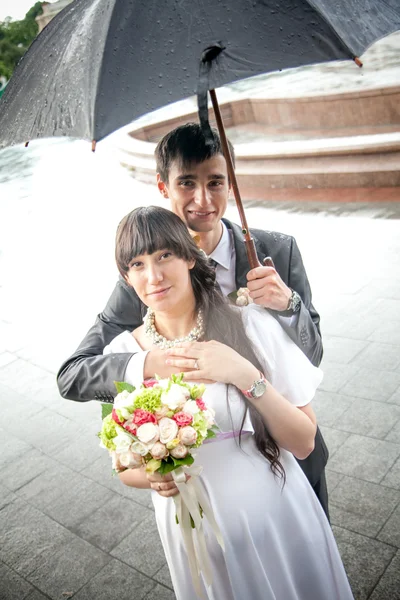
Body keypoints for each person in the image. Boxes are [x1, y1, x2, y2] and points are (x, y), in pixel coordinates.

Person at [57, 123, 329, 516]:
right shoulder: (148, 280)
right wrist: (151, 363)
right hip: (206, 479)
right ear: (163, 187)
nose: (203, 199)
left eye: (216, 182)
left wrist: (289, 306)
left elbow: (314, 354)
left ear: (230, 184)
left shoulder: (276, 251)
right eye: (186, 183)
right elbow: (73, 374)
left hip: (287, 452)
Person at [103, 205, 353, 600]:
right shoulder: (122, 354)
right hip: (193, 539)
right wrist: (151, 476)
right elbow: (122, 466)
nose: (153, 276)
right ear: (125, 276)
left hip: (274, 519)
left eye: (164, 255)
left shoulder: (249, 324)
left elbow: (304, 441)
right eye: (137, 263)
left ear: (188, 256)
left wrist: (244, 375)